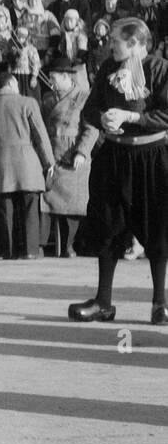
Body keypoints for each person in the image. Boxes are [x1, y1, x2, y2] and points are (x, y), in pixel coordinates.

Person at [67, 18, 168, 324]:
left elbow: (166, 113)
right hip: (113, 156)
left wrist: (131, 116)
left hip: (150, 157)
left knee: (157, 229)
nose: (111, 45)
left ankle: (159, 304)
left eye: (116, 41)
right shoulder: (108, 71)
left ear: (136, 43)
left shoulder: (160, 69)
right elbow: (89, 110)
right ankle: (103, 302)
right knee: (108, 225)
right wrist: (104, 119)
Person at [0, 71, 54, 260]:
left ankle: (9, 251)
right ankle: (30, 251)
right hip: (27, 164)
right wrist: (49, 162)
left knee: (5, 209)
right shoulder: (28, 103)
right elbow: (40, 136)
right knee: (30, 208)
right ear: (10, 84)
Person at [41, 59, 89, 257]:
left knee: (72, 204)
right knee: (48, 202)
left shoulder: (83, 97)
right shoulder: (47, 99)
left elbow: (91, 128)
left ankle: (68, 246)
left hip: (72, 157)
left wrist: (82, 152)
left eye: (53, 78)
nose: (51, 81)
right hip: (52, 155)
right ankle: (45, 245)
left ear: (66, 77)